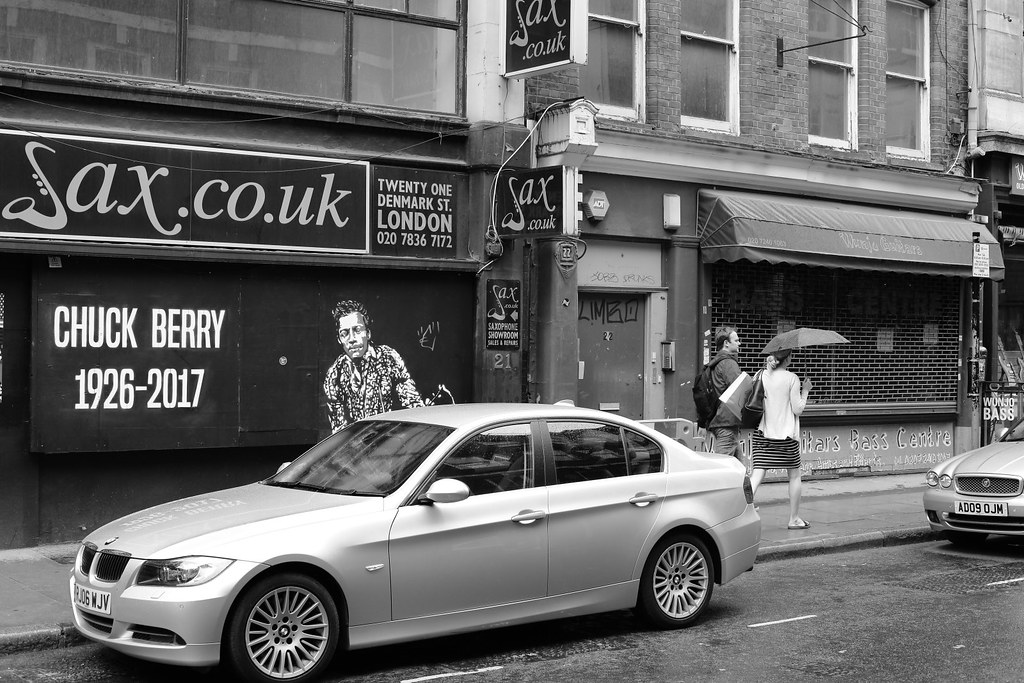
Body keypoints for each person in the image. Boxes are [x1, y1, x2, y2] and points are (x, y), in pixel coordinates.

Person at [323, 299, 424, 432]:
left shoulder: (389, 358)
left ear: (368, 333)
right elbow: (338, 428)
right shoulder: (334, 375)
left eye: (357, 330)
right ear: (339, 339)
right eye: (344, 333)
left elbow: (413, 405)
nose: (352, 339)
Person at [749, 349, 812, 529]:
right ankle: (794, 519)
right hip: (786, 436)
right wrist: (806, 391)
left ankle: (741, 512)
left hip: (764, 432)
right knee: (794, 475)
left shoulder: (760, 374)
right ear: (788, 358)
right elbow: (798, 409)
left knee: (758, 472)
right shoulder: (792, 378)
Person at [707, 326, 743, 461]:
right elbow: (739, 388)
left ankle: (744, 482)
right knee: (721, 467)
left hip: (721, 419)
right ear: (726, 343)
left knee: (739, 469)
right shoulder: (728, 363)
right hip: (726, 422)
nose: (739, 343)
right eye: (736, 340)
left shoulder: (716, 362)